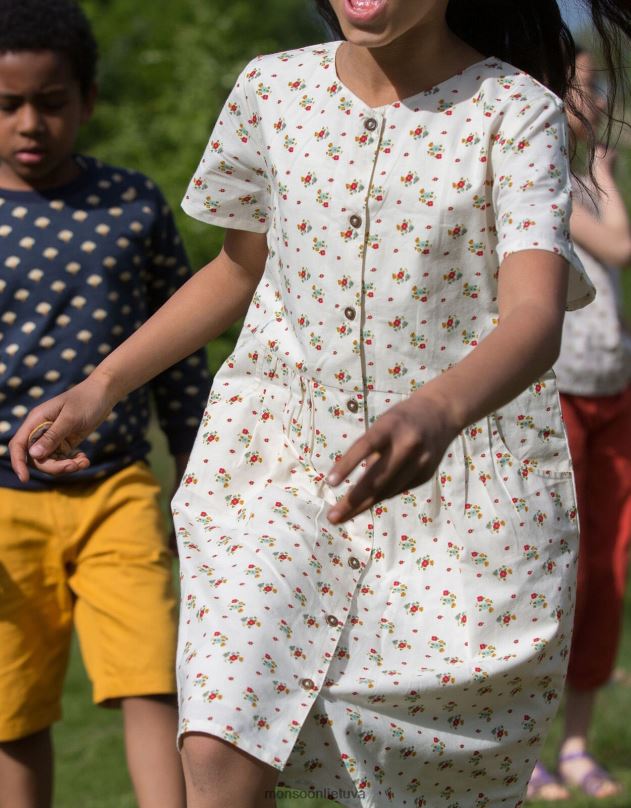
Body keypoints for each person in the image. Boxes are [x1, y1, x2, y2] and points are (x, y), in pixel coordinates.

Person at [8, 1, 631, 806]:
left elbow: (533, 315)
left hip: (454, 499)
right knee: (217, 738)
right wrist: (104, 383)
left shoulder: (515, 112)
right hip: (275, 464)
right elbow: (236, 270)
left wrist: (437, 410)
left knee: (428, 778)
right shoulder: (274, 89)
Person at [0, 1, 210, 806]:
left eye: (50, 103)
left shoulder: (132, 205)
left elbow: (181, 350)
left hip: (116, 488)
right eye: (8, 104)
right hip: (4, 502)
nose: (30, 123)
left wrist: (197, 460)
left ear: (86, 99)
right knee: (12, 706)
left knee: (150, 675)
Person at [527, 48, 631, 803]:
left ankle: (574, 746)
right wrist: (600, 168)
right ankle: (523, 744)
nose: (590, 99)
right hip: (552, 395)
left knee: (603, 571)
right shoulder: (542, 171)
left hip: (612, 394)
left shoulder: (586, 181)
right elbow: (619, 245)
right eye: (579, 84)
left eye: (596, 87)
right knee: (544, 575)